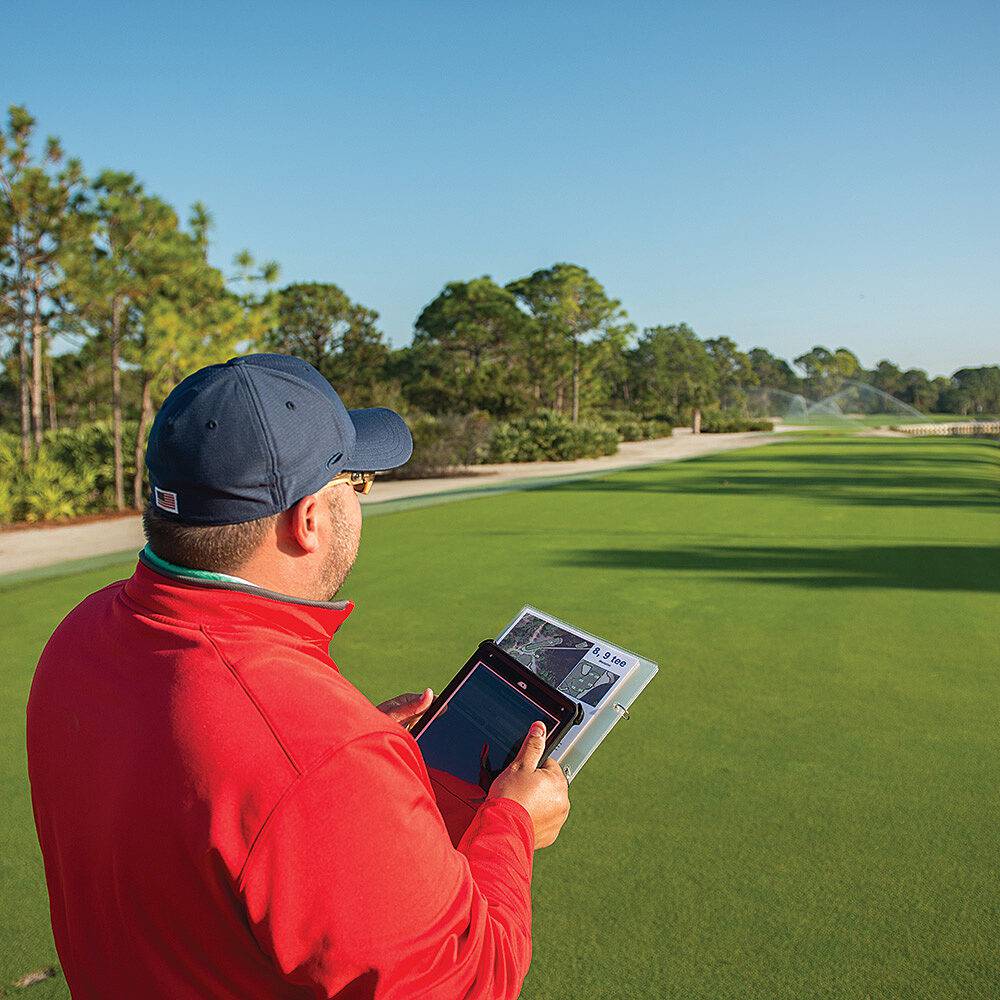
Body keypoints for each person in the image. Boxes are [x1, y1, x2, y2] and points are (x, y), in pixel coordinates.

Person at [26, 353, 570, 1000]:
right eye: (357, 483)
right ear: (308, 520)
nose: (360, 501)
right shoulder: (317, 756)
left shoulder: (80, 635)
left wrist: (347, 772)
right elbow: (467, 984)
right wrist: (510, 822)